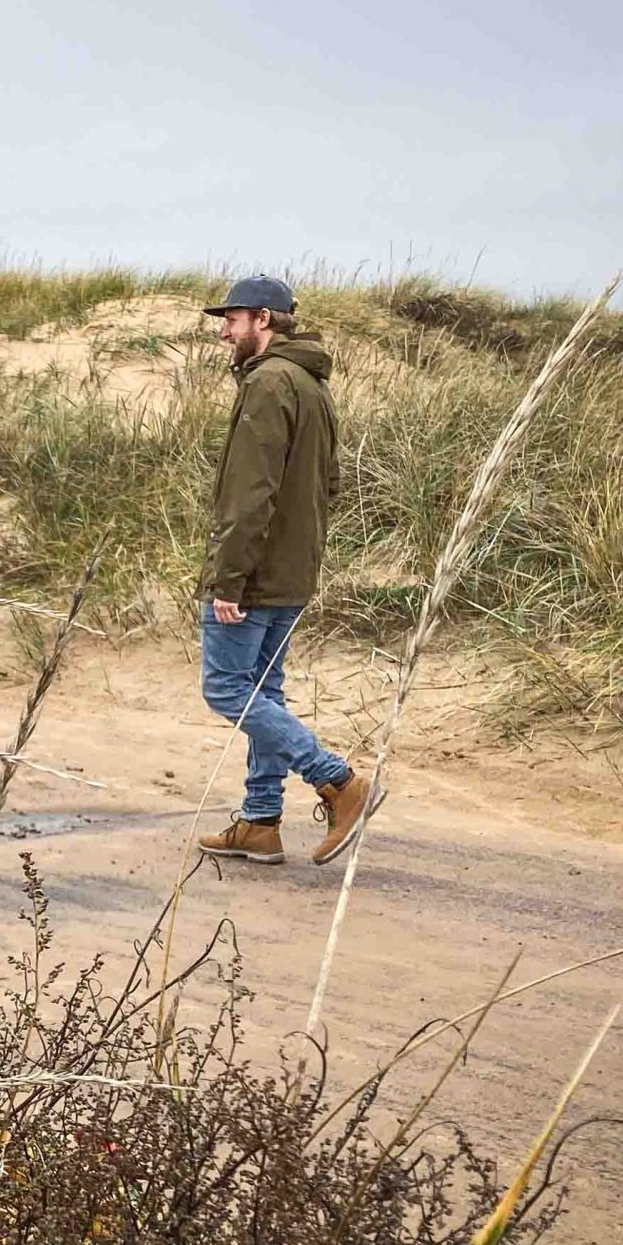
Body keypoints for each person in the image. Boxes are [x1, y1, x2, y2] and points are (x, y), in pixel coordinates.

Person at [193, 274, 377, 866]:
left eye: (234, 318)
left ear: (264, 321)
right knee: (263, 691)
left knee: (226, 688)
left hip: (257, 573)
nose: (225, 331)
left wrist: (229, 577)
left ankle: (338, 781)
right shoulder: (312, 384)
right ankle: (260, 823)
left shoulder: (270, 382)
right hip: (293, 568)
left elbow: (251, 493)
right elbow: (331, 484)